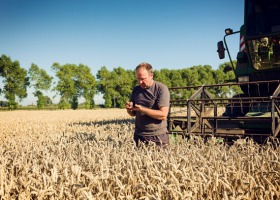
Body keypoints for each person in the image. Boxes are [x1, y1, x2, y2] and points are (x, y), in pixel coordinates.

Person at [125, 62, 170, 146]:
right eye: (138, 79)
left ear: (151, 75)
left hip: (158, 136)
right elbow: (132, 114)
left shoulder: (161, 89)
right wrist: (129, 109)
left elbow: (163, 115)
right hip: (139, 136)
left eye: (143, 79)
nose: (140, 82)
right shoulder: (136, 90)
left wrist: (142, 109)